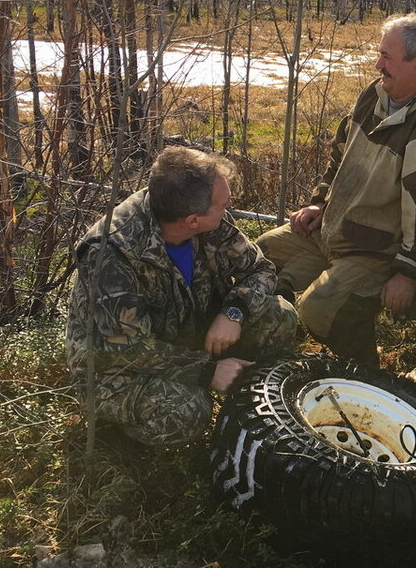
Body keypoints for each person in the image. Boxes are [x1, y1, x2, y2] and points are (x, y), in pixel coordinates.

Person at [256, 13, 416, 367]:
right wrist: (319, 203)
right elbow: (340, 154)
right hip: (332, 229)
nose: (378, 64)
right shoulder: (376, 93)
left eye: (387, 57)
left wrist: (409, 272)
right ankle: (266, 347)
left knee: (320, 309)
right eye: (379, 54)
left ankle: (361, 375)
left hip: (374, 252)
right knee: (260, 256)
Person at [66, 146, 296, 446]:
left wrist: (234, 312)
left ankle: (257, 408)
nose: (228, 209)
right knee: (186, 411)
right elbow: (129, 350)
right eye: (222, 206)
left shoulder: (205, 219)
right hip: (118, 369)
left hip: (186, 335)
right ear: (192, 221)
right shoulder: (111, 254)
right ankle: (117, 439)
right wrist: (206, 371)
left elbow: (260, 269)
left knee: (279, 316)